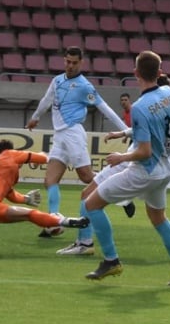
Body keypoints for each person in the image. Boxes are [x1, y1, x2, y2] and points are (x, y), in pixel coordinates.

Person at [82, 51, 170, 286]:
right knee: (158, 218)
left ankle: (111, 260)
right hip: (165, 169)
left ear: (135, 73)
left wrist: (121, 157)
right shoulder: (169, 94)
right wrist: (149, 137)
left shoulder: (140, 108)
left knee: (91, 204)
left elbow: (142, 151)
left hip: (144, 170)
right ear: (159, 72)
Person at [57, 76, 170, 256]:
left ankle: (90, 246)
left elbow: (156, 143)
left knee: (88, 196)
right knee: (158, 217)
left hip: (135, 161)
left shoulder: (147, 104)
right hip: (154, 165)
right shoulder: (166, 105)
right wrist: (124, 133)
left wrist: (126, 155)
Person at [27, 46, 127, 239]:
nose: (70, 66)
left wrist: (124, 130)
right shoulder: (57, 81)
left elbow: (103, 107)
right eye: (67, 62)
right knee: (50, 181)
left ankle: (122, 197)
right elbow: (46, 100)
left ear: (81, 63)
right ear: (64, 60)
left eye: (74, 63)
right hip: (60, 136)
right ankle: (54, 222)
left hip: (73, 133)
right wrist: (35, 117)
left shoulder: (84, 86)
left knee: (86, 176)